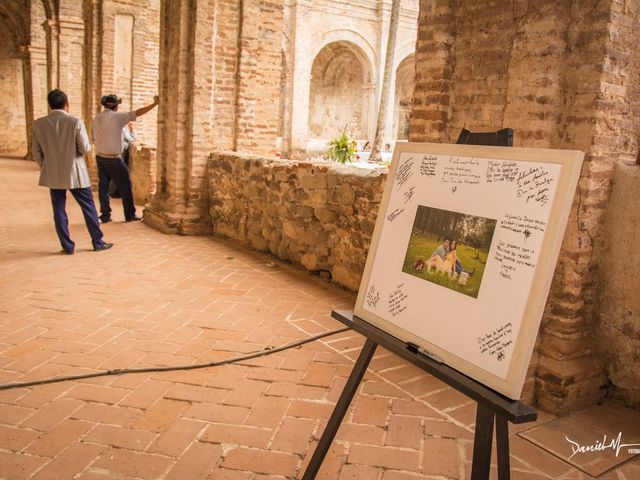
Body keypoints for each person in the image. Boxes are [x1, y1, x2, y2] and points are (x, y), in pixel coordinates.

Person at [32, 89, 113, 254]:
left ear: (50, 105)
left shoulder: (39, 124)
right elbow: (84, 148)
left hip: (54, 173)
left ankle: (67, 246)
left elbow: (36, 152)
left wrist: (46, 167)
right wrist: (91, 145)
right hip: (76, 173)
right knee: (88, 207)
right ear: (67, 103)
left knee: (58, 210)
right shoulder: (75, 122)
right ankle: (97, 242)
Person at [93, 94, 159, 223]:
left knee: (103, 187)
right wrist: (154, 104)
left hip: (100, 157)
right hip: (113, 159)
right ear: (116, 106)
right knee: (126, 185)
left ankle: (105, 215)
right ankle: (129, 214)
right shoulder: (118, 117)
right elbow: (138, 113)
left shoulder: (97, 118)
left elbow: (94, 137)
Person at [109, 123, 135, 199]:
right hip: (122, 151)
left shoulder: (124, 128)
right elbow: (130, 139)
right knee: (119, 171)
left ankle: (115, 191)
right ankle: (113, 191)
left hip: (121, 150)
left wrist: (131, 129)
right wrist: (132, 131)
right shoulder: (122, 128)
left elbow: (130, 138)